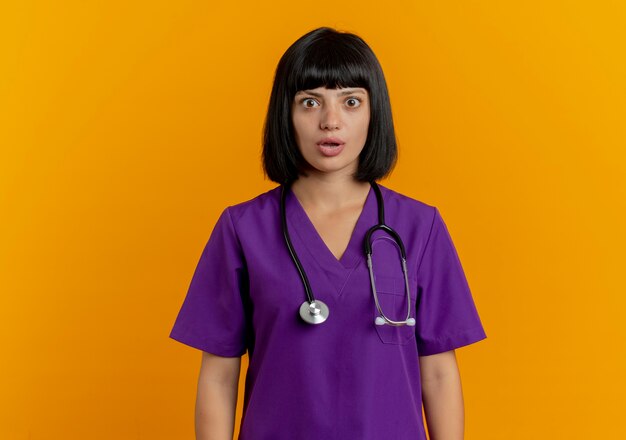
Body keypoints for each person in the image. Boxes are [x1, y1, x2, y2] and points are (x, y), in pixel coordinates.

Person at [169, 26, 487, 440]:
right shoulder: (242, 229)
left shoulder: (419, 227)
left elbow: (440, 372)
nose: (330, 121)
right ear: (286, 113)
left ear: (375, 113)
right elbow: (218, 374)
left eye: (351, 101)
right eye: (310, 102)